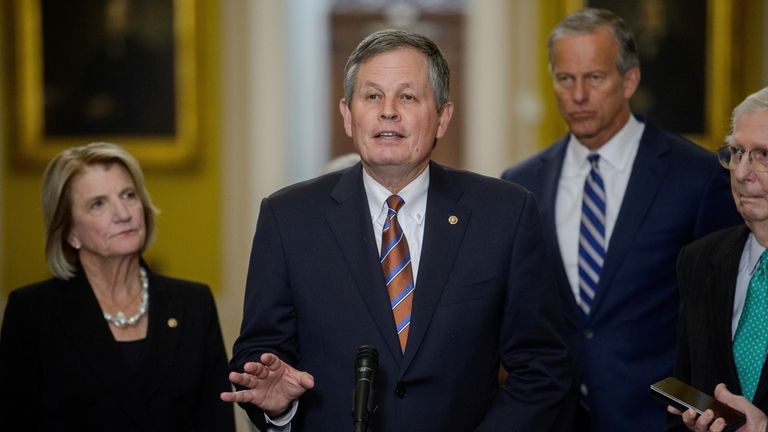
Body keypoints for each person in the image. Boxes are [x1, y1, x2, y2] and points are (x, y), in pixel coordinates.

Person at [222, 29, 572, 431]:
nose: (388, 111)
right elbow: (260, 360)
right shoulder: (287, 217)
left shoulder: (505, 213)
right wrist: (278, 408)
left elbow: (542, 367)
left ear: (443, 116)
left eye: (407, 96)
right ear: (348, 115)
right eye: (372, 96)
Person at [501, 8, 741, 432]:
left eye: (594, 78)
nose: (577, 95)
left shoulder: (697, 177)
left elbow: (716, 319)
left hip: (656, 419)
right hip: (552, 419)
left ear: (629, 80)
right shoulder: (522, 184)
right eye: (564, 78)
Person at [0, 142, 235, 431]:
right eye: (98, 204)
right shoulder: (33, 313)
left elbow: (217, 422)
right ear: (70, 231)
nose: (123, 213)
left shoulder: (193, 303)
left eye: (128, 195)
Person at [668, 87, 768, 431]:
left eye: (763, 155)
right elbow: (687, 389)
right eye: (737, 152)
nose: (741, 173)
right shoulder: (699, 260)